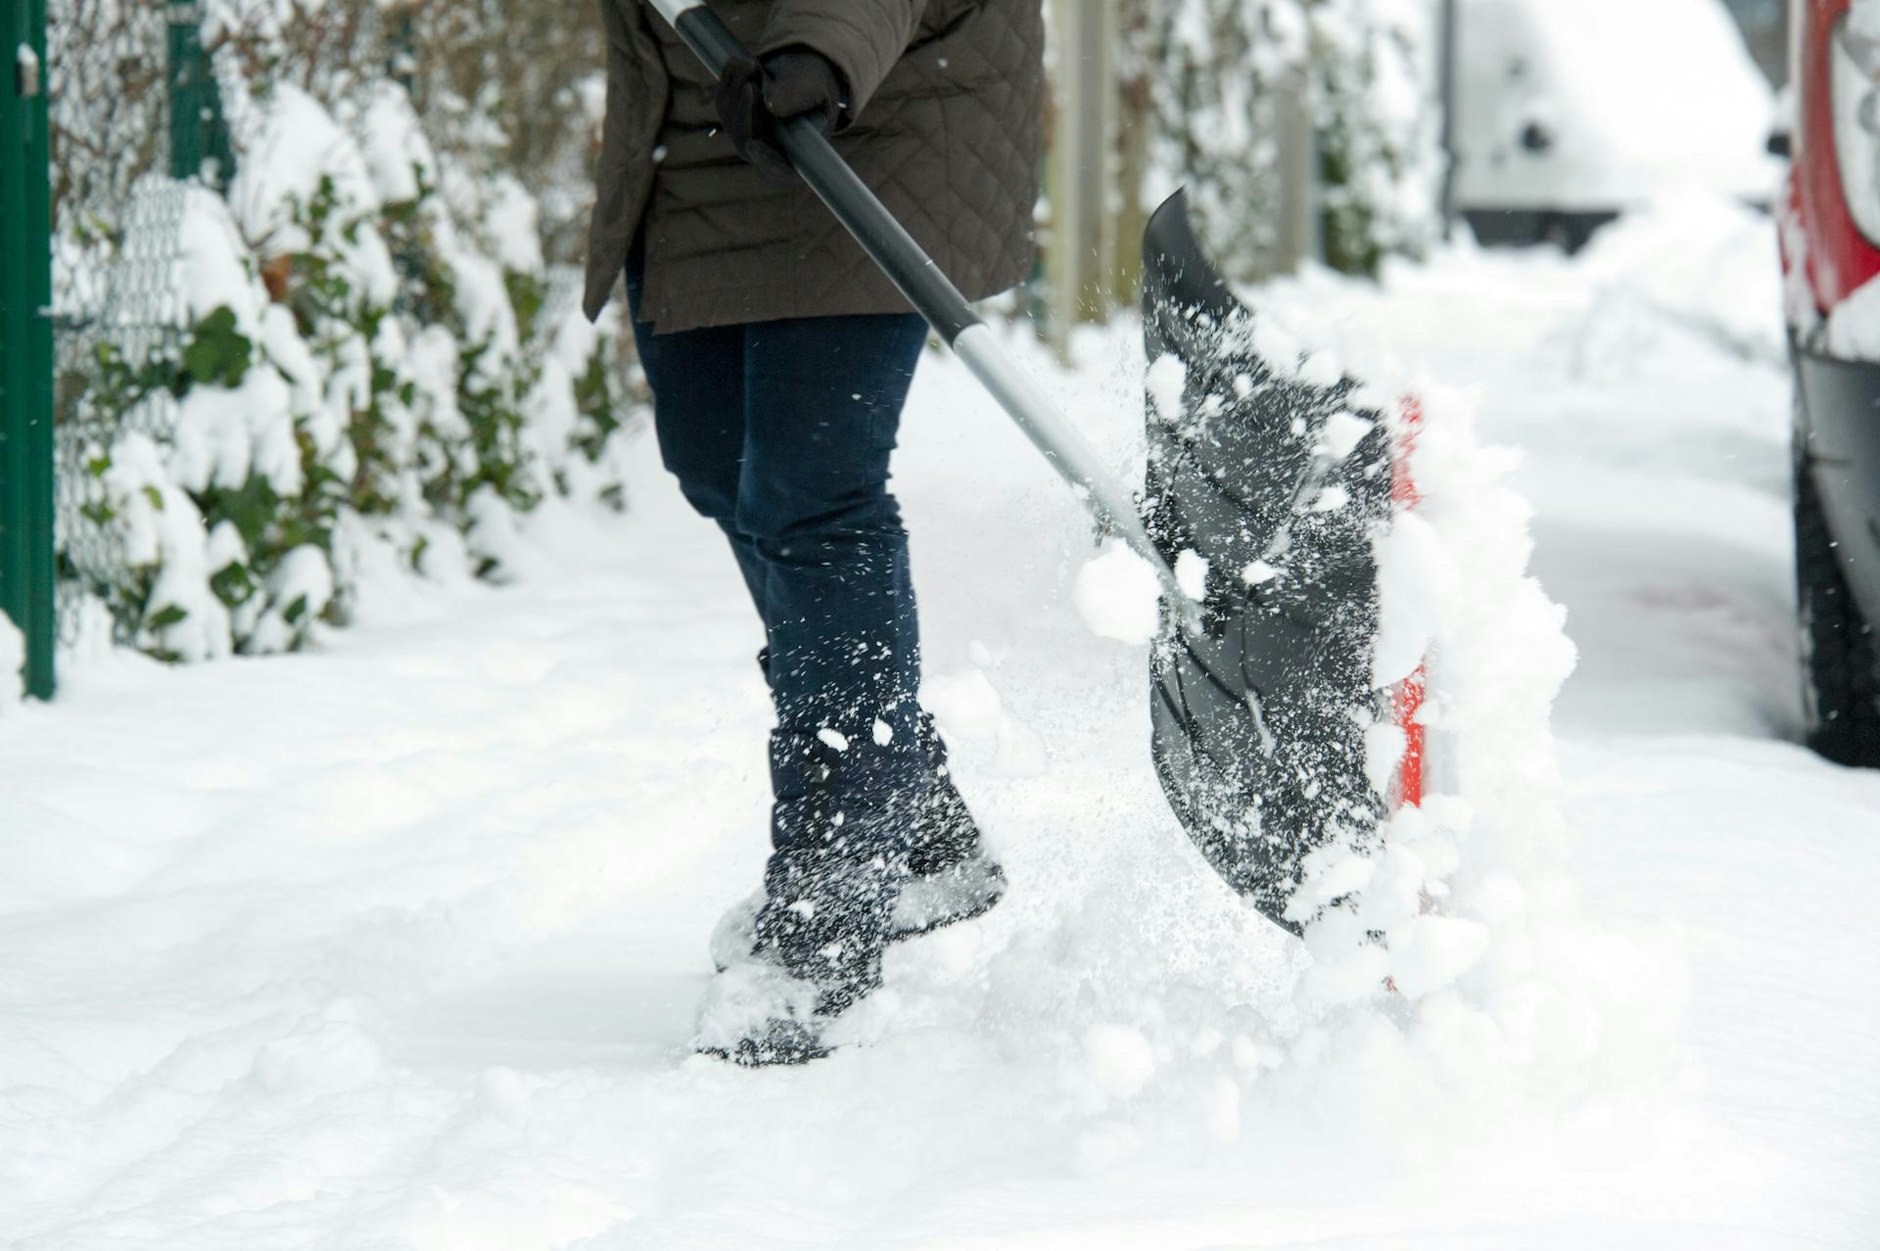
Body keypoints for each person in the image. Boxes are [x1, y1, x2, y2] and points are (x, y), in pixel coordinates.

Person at [583, 0, 1046, 1064]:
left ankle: (830, 900)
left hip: (865, 116)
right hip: (701, 132)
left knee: (810, 494)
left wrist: (822, 54)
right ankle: (917, 827)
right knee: (718, 467)